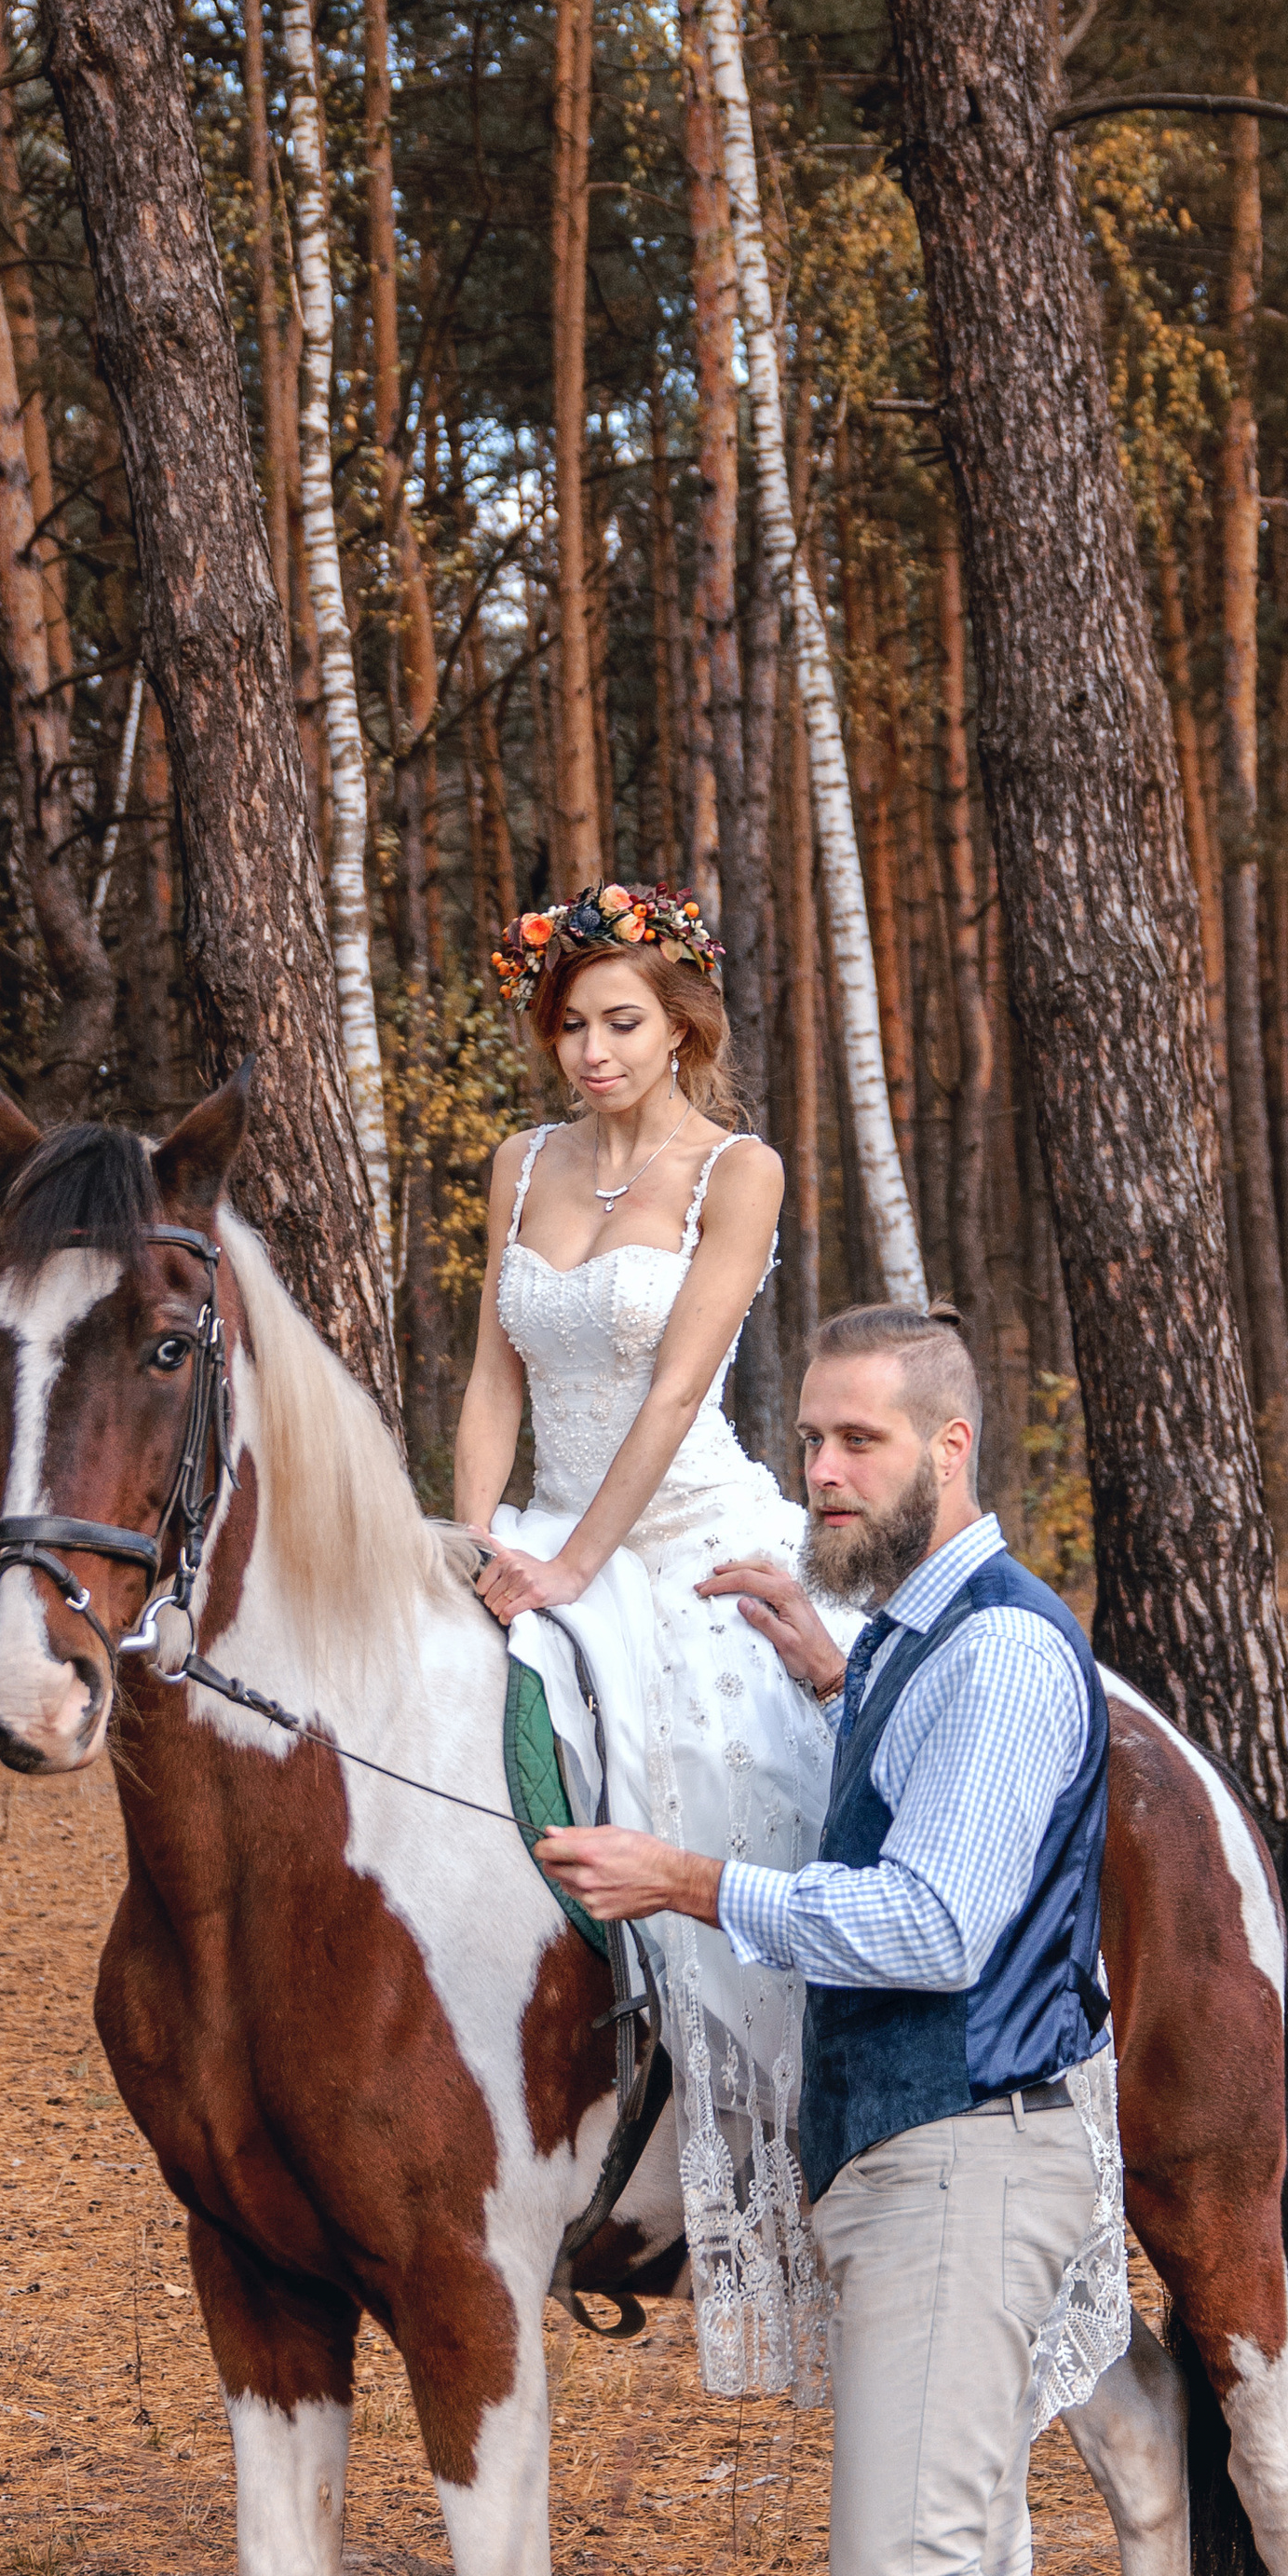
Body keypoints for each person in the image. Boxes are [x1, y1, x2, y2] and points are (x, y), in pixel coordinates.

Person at [536, 1303, 1288, 2576]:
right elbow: (924, 1786)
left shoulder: (996, 1658)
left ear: (947, 1450)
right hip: (916, 2156)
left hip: (971, 2150)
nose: (820, 1471)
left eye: (857, 1444)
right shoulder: (914, 1645)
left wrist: (687, 1880)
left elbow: (931, 1925)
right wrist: (831, 1676)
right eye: (808, 1439)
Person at [455, 879, 838, 2396]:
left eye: (620, 1022)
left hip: (684, 1542)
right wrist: (477, 1533)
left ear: (683, 1019)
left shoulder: (737, 1169)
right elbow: (492, 1367)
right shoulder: (521, 1161)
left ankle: (804, 2138)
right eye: (568, 1026)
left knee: (764, 1805)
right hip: (541, 1525)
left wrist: (578, 1566)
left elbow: (677, 1390)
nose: (590, 1052)